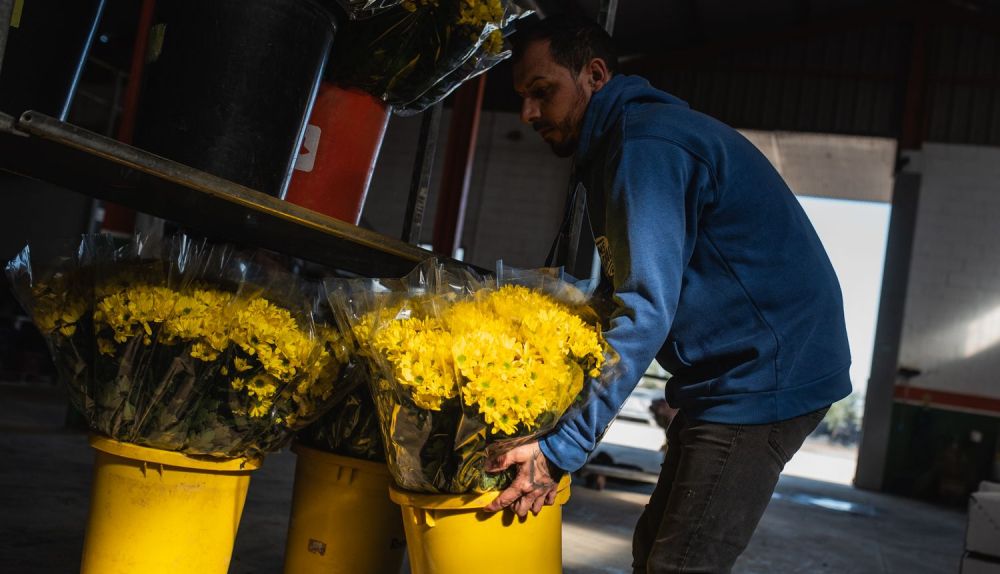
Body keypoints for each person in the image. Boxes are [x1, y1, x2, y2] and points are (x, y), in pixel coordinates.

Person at [482, 14, 852, 573]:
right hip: (727, 375)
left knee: (679, 563)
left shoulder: (646, 145)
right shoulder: (617, 145)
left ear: (596, 75)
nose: (529, 112)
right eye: (524, 97)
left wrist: (563, 448)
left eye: (542, 92)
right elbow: (620, 296)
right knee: (654, 549)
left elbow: (644, 308)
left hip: (765, 376)